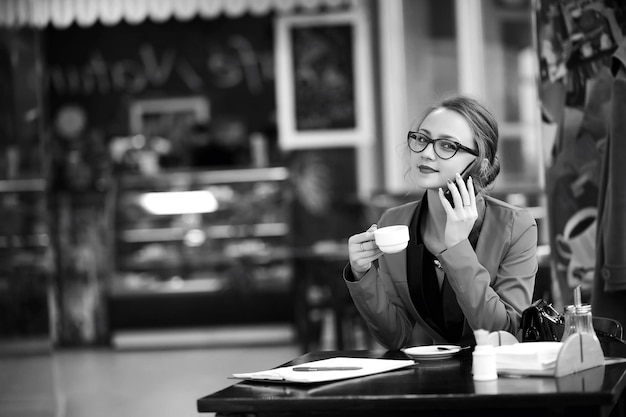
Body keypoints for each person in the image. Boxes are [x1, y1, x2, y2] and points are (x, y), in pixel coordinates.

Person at [344, 95, 538, 350]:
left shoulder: (516, 225)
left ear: (482, 163)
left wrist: (457, 247)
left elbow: (506, 333)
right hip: (434, 379)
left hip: (499, 376)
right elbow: (396, 337)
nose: (425, 153)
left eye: (447, 146)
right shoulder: (395, 222)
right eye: (422, 139)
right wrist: (362, 274)